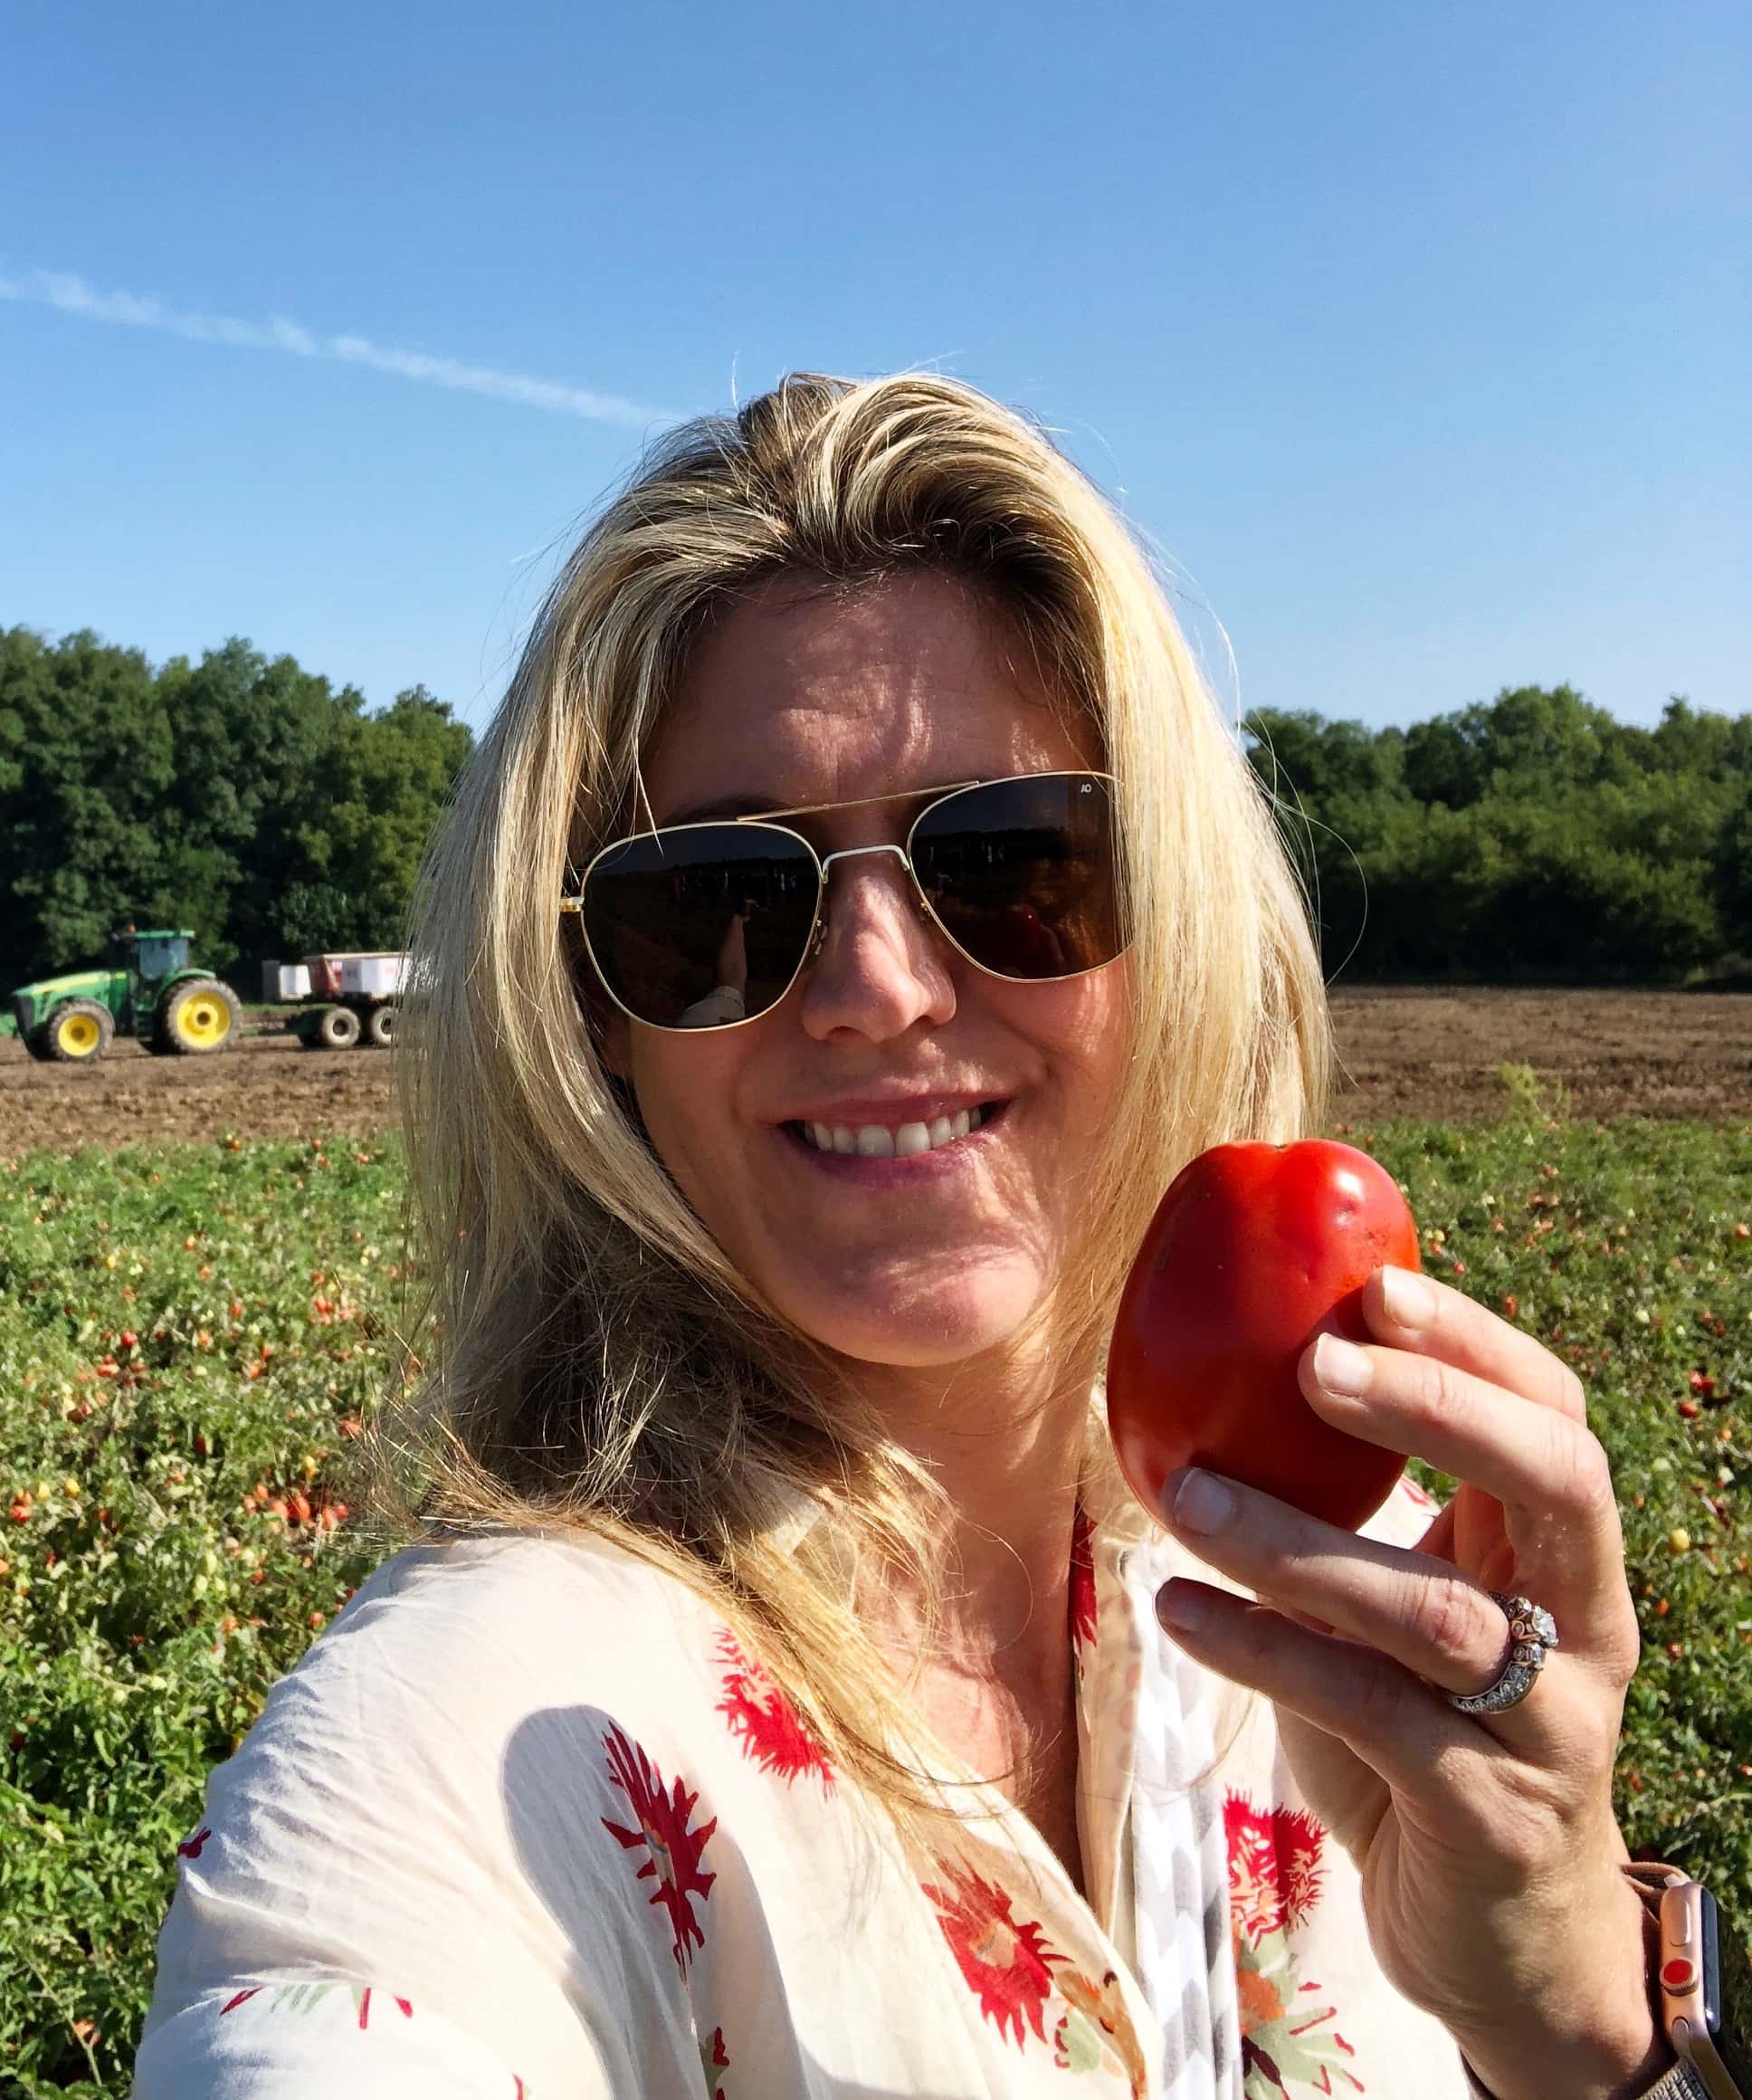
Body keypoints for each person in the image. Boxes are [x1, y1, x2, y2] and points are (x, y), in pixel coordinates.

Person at [133, 374, 1676, 2099]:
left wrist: (1572, 2016)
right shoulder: (475, 1735)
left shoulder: (1353, 1592)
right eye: (718, 898)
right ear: (596, 1024)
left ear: (1179, 913)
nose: (877, 987)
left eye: (1020, 859)